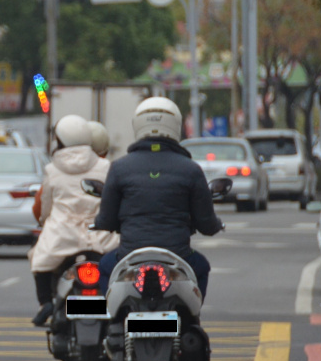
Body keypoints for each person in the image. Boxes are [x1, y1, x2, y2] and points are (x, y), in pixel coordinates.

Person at [92, 97, 223, 300]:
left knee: (105, 266)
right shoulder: (190, 170)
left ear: (138, 124)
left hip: (129, 257)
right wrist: (216, 225)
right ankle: (191, 321)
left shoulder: (119, 168)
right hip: (178, 258)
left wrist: (101, 223)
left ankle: (112, 320)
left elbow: (107, 220)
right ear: (175, 125)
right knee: (202, 267)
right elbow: (206, 224)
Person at [30, 115, 119, 326]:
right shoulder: (106, 166)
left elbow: (46, 208)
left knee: (38, 260)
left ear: (59, 141)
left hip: (61, 236)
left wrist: (45, 222)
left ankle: (46, 304)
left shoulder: (52, 170)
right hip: (101, 236)